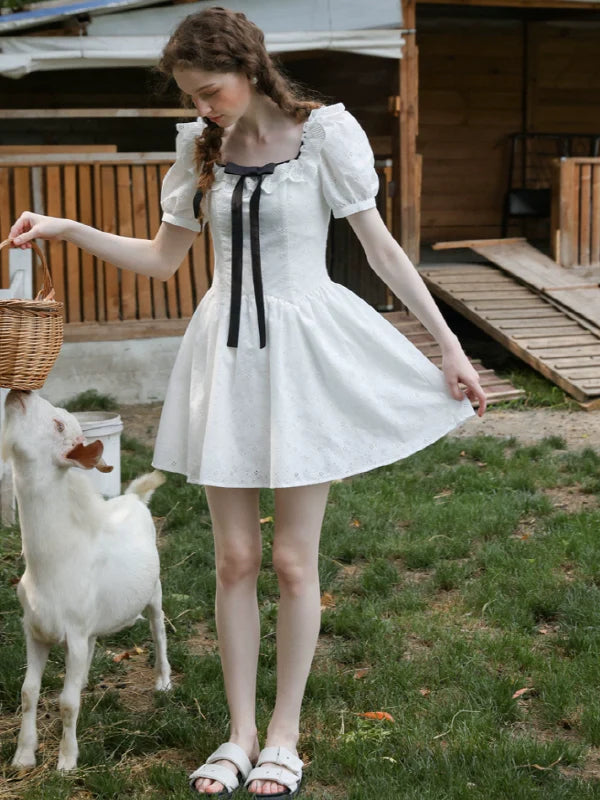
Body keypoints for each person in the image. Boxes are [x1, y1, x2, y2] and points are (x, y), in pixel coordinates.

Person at [9, 6, 487, 797]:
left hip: (302, 359)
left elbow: (380, 249)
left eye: (210, 91)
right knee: (235, 560)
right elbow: (162, 260)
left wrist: (448, 345)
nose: (202, 107)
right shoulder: (199, 151)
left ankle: (283, 739)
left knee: (295, 561)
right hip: (224, 361)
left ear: (250, 68)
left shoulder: (325, 135)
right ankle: (238, 736)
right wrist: (67, 228)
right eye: (191, 96)